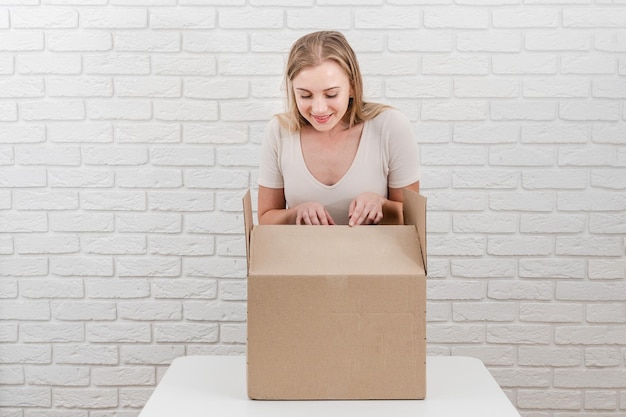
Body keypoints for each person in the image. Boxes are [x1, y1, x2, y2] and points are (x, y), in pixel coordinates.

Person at [257, 31, 420, 226]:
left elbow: (413, 220)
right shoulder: (279, 131)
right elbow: (265, 220)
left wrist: (381, 205)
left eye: (331, 94)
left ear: (352, 86)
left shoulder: (391, 127)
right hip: (301, 256)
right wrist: (296, 213)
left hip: (375, 256)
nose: (319, 109)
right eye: (305, 96)